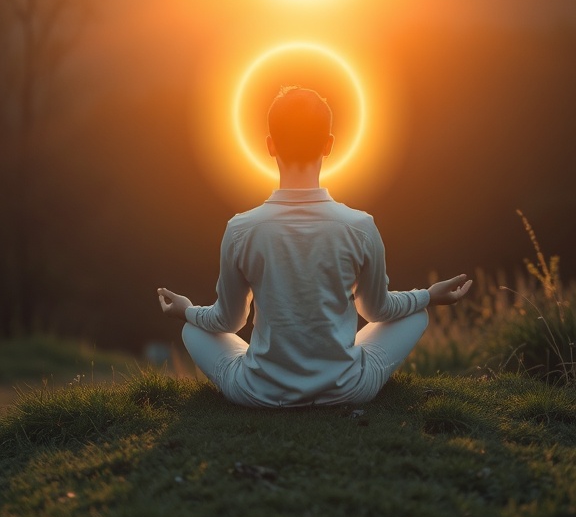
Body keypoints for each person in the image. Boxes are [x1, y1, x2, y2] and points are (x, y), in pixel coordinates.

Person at [158, 86, 472, 407]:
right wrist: (429, 297)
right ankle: (340, 373)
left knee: (192, 331)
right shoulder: (360, 226)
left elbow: (229, 322)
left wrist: (187, 311)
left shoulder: (241, 229)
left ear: (269, 145)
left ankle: (267, 376)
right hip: (348, 388)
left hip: (259, 393)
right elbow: (376, 311)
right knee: (416, 315)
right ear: (329, 145)